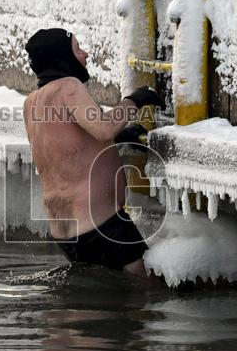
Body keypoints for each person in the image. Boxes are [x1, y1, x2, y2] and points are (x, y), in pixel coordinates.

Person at [21, 28, 160, 277]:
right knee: (147, 294)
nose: (84, 54)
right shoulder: (68, 87)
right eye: (77, 48)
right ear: (62, 57)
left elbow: (67, 148)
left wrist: (119, 137)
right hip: (102, 224)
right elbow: (103, 128)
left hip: (66, 232)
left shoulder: (31, 102)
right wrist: (135, 100)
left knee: (98, 302)